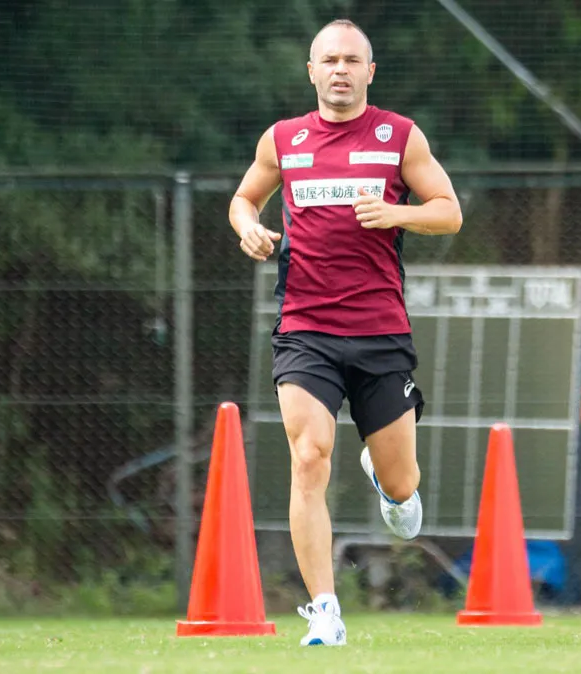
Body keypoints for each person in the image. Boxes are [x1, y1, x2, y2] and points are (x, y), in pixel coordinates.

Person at [229, 18, 462, 647]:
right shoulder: (283, 139)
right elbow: (244, 198)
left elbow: (449, 211)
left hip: (380, 331)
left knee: (403, 485)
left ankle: (388, 483)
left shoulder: (399, 137)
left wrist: (398, 213)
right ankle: (326, 610)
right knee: (308, 458)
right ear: (311, 70)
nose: (339, 70)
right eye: (328, 59)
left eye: (351, 60)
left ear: (368, 71)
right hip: (305, 328)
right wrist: (247, 225)